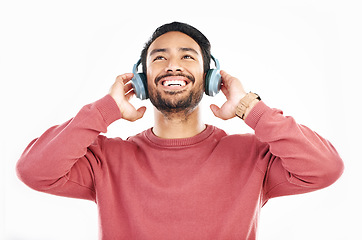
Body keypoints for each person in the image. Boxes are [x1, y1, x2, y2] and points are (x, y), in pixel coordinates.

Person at [16, 22, 344, 239]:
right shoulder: (106, 158)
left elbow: (324, 168)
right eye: (159, 58)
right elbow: (35, 171)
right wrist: (105, 110)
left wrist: (248, 106)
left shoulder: (252, 155)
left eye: (188, 56)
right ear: (141, 81)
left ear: (211, 78)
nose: (173, 65)